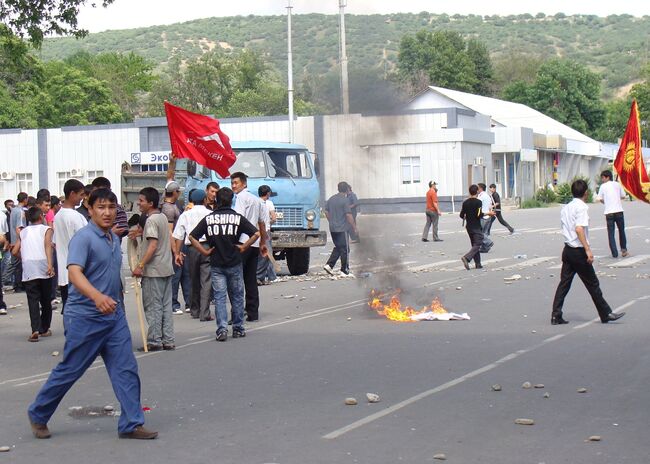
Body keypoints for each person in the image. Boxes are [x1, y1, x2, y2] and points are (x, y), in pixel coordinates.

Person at [27, 188, 157, 440]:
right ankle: (39, 412)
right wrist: (97, 297)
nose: (107, 213)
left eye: (111, 207)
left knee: (126, 369)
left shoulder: (111, 238)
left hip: (113, 316)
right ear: (90, 209)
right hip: (86, 317)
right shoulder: (84, 238)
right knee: (71, 369)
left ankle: (131, 423)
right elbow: (75, 273)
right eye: (101, 207)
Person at [550, 179, 625, 325]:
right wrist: (588, 249)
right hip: (578, 251)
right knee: (592, 283)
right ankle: (606, 313)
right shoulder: (582, 208)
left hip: (567, 249)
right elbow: (579, 229)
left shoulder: (566, 207)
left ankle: (556, 314)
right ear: (586, 193)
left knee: (564, 283)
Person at [190, 187, 260, 341]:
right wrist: (243, 246)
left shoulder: (209, 218)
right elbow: (256, 233)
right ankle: (238, 328)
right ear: (231, 201)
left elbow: (192, 237)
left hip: (216, 264)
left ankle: (221, 330)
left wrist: (205, 251)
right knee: (236, 296)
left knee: (220, 298)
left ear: (217, 201)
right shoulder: (237, 218)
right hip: (234, 262)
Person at [132, 187, 175, 351]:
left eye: (141, 200)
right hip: (166, 267)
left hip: (154, 270)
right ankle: (168, 339)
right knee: (165, 306)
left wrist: (140, 265)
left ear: (150, 203)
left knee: (153, 306)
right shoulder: (163, 217)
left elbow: (152, 245)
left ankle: (155, 340)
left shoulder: (151, 220)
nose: (139, 203)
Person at [12, 207, 55, 341]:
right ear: (41, 217)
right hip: (43, 266)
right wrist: (50, 264)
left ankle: (35, 329)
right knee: (46, 299)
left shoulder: (23, 232)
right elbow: (47, 246)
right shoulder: (46, 229)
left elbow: (14, 252)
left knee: (33, 300)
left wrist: (24, 257)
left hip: (29, 268)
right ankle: (44, 328)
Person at [231, 172, 267, 322]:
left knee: (236, 279)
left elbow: (238, 221)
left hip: (243, 243)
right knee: (250, 279)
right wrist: (263, 242)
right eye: (232, 183)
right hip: (255, 243)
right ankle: (253, 312)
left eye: (236, 183)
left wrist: (233, 241)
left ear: (244, 184)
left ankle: (237, 314)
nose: (233, 186)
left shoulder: (240, 198)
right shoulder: (257, 200)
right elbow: (262, 223)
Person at [172, 189, 213, 321]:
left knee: (193, 279)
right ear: (205, 200)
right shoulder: (210, 214)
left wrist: (177, 253)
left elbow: (178, 235)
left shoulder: (186, 214)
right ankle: (205, 312)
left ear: (192, 201)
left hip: (191, 249)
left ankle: (195, 310)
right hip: (207, 247)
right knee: (206, 281)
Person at [54, 180, 88, 314]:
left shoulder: (58, 216)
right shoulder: (76, 217)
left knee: (68, 308)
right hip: (78, 270)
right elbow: (86, 241)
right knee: (79, 310)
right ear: (72, 194)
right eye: (81, 195)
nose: (82, 198)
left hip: (64, 271)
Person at [161, 180, 189, 315]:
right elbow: (170, 231)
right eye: (178, 191)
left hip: (180, 242)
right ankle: (173, 303)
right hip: (175, 244)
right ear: (174, 192)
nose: (180, 193)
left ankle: (188, 302)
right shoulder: (168, 208)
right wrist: (175, 251)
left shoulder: (173, 205)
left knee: (185, 274)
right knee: (176, 275)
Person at [323, 181, 358, 277]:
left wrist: (331, 220)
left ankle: (329, 265)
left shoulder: (331, 199)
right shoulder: (345, 200)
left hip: (333, 228)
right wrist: (354, 227)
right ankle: (344, 270)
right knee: (345, 249)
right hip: (342, 229)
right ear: (347, 189)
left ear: (338, 189)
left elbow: (326, 211)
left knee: (339, 247)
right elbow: (348, 215)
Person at [596, 170, 628, 258]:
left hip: (609, 212)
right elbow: (623, 196)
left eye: (603, 177)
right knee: (621, 231)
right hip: (619, 211)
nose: (602, 179)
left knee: (611, 233)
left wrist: (605, 201)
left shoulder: (603, 186)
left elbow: (599, 198)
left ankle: (614, 253)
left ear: (607, 177)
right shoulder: (617, 184)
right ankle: (624, 249)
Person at [459, 185, 484, 270]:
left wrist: (467, 216)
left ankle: (478, 263)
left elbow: (461, 215)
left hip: (469, 226)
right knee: (478, 243)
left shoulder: (465, 203)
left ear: (470, 192)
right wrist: (488, 213)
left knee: (474, 244)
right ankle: (466, 258)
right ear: (477, 191)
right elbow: (479, 214)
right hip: (476, 226)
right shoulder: (478, 202)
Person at [256, 185, 277, 284]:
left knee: (261, 254)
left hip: (256, 231)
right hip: (266, 231)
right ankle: (263, 276)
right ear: (268, 193)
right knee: (267, 253)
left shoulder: (256, 202)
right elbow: (274, 218)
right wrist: (269, 223)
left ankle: (265, 277)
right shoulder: (269, 203)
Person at [8, 192, 28, 292]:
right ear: (25, 200)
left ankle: (16, 285)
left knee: (15, 264)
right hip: (17, 241)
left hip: (13, 240)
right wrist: (21, 240)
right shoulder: (20, 212)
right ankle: (19, 286)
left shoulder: (13, 210)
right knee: (19, 264)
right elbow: (18, 228)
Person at [477, 183, 495, 252]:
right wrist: (490, 212)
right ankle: (485, 248)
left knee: (479, 232)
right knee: (485, 233)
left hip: (483, 216)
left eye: (477, 188)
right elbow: (490, 205)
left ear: (480, 188)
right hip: (489, 216)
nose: (477, 190)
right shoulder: (487, 195)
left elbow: (478, 205)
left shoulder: (481, 196)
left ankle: (488, 242)